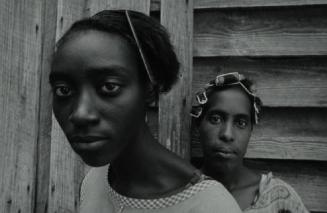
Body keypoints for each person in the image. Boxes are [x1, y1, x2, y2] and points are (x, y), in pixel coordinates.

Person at [49, 10, 242, 212]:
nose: (80, 114)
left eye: (108, 87)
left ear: (150, 89)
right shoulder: (95, 181)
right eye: (64, 90)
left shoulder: (211, 206)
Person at [191, 72, 309, 213]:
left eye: (241, 123)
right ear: (198, 125)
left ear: (250, 131)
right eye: (216, 119)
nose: (227, 134)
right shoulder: (180, 196)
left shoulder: (281, 200)